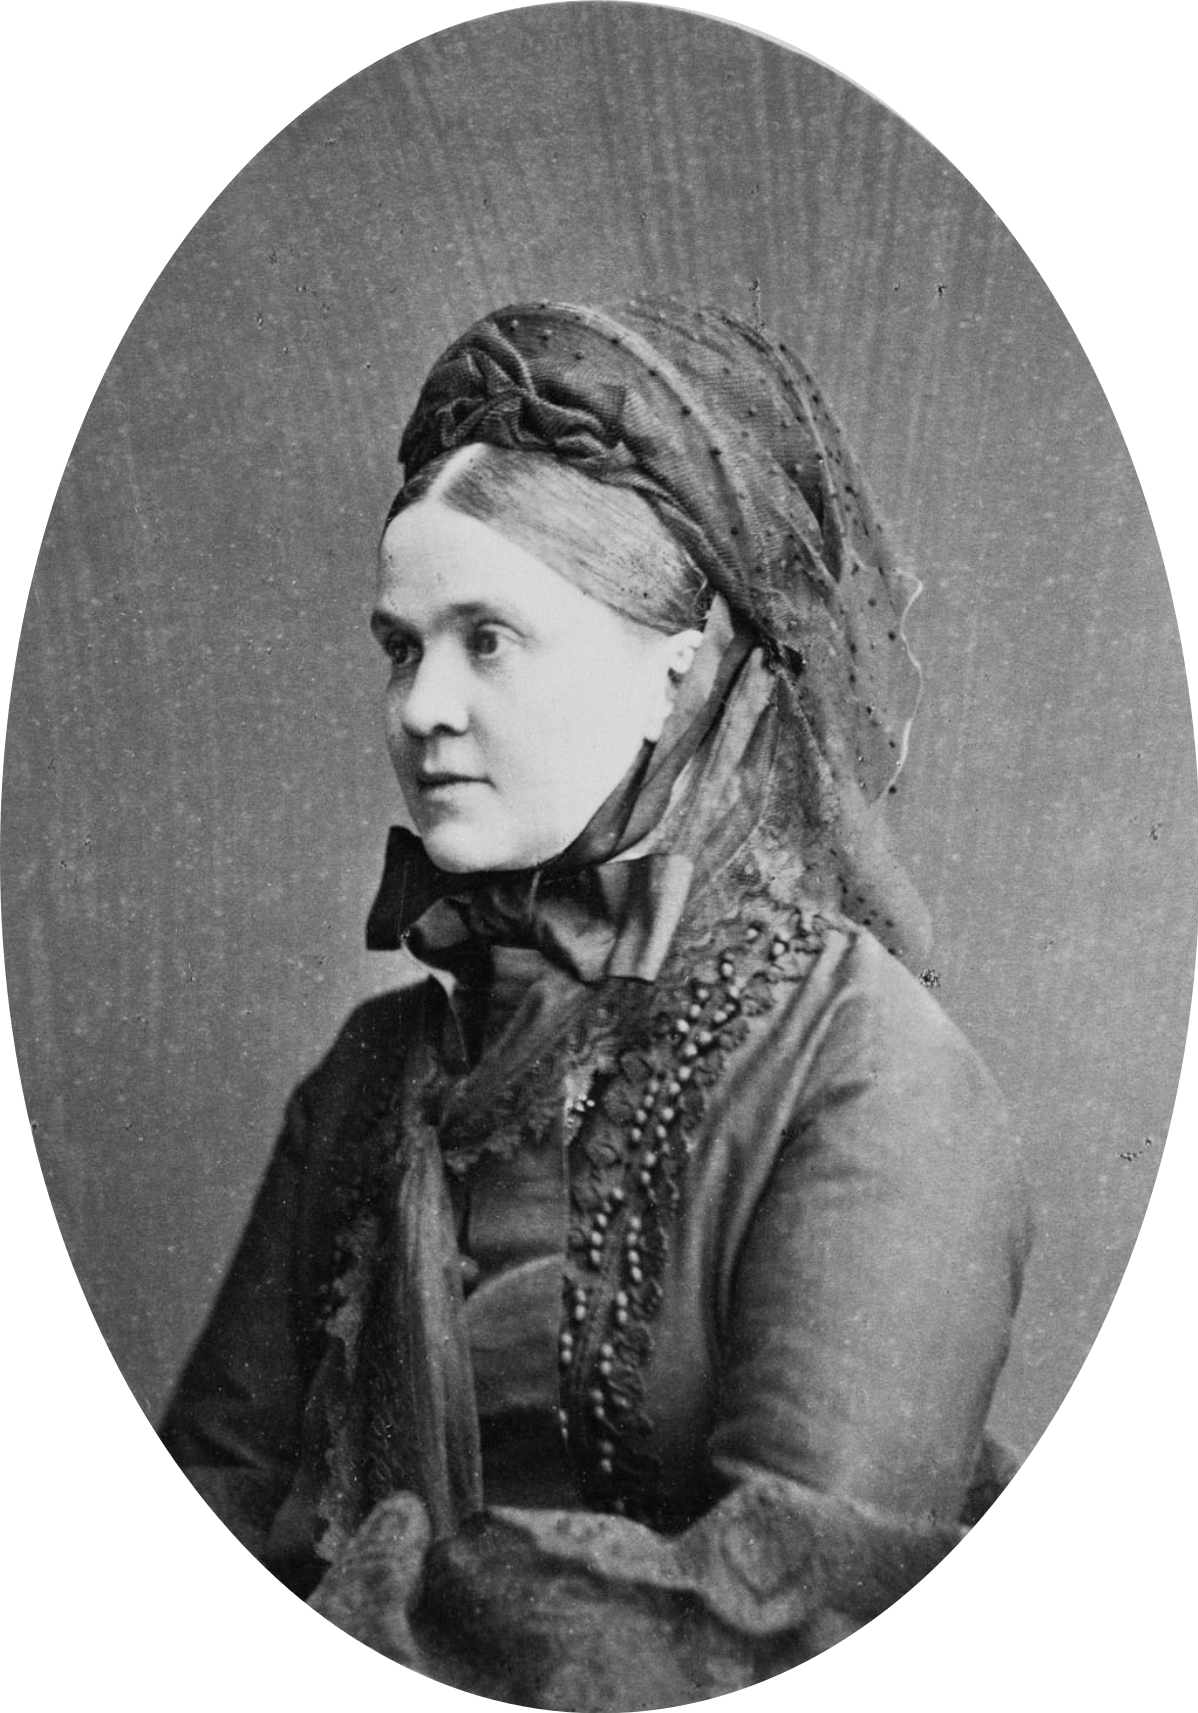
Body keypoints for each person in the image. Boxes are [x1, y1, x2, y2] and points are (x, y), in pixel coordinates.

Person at [161, 298, 1032, 1705]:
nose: (423, 707)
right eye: (401, 646)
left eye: (488, 639)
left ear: (673, 669)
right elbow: (218, 1484)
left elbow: (789, 1609)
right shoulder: (374, 1074)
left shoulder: (864, 1069)